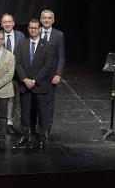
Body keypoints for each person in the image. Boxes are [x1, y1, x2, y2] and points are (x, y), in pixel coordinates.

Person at [16, 19, 55, 150]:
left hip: (40, 86)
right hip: (25, 85)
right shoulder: (22, 44)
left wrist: (35, 81)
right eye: (31, 27)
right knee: (25, 113)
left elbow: (47, 66)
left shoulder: (47, 45)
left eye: (35, 28)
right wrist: (25, 79)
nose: (33, 30)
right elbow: (18, 63)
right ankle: (25, 135)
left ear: (39, 29)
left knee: (42, 113)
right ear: (28, 28)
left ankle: (42, 137)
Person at [40, 9, 65, 137]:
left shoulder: (58, 35)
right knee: (37, 102)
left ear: (53, 20)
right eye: (44, 18)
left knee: (49, 102)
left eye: (49, 18)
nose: (46, 20)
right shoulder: (36, 32)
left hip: (51, 75)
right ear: (41, 20)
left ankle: (46, 128)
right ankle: (37, 127)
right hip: (37, 75)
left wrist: (58, 74)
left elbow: (61, 57)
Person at [1, 13, 25, 134]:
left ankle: (10, 122)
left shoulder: (21, 36)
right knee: (0, 99)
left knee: (12, 98)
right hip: (0, 74)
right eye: (5, 22)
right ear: (1, 24)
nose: (7, 24)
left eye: (9, 21)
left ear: (13, 23)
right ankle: (0, 122)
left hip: (16, 74)